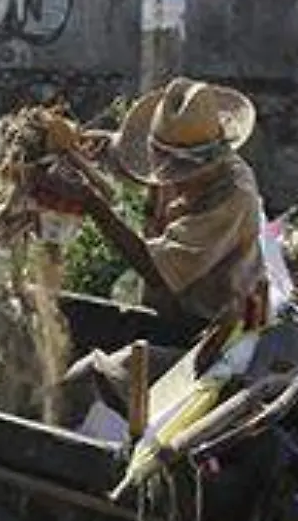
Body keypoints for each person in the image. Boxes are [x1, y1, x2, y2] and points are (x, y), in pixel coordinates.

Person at [78, 76, 269, 337]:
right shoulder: (169, 154)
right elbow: (125, 158)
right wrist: (89, 149)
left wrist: (93, 205)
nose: (173, 184)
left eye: (183, 175)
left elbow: (156, 272)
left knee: (98, 371)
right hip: (168, 309)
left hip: (214, 328)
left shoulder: (231, 195)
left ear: (211, 164)